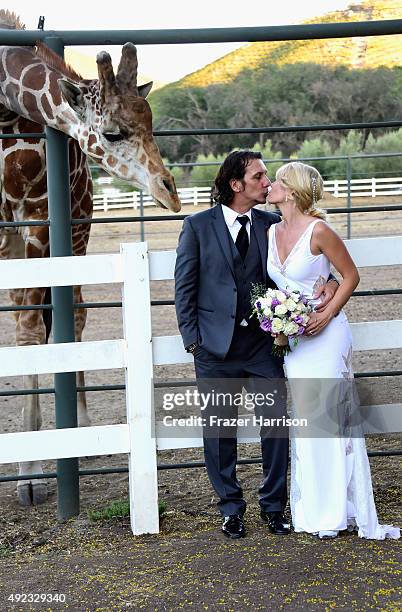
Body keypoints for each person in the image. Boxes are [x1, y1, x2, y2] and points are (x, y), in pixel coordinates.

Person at [174, 150, 338, 539]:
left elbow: (313, 263)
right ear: (236, 185)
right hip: (215, 351)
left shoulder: (271, 223)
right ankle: (230, 509)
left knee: (275, 427)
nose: (268, 183)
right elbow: (184, 288)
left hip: (265, 346)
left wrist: (330, 284)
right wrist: (193, 342)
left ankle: (273, 507)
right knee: (219, 432)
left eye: (268, 176)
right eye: (259, 177)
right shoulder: (197, 226)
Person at [266, 160, 400, 540]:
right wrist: (280, 320)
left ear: (291, 191)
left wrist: (328, 311)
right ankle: (313, 510)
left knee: (330, 420)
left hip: (326, 335)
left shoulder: (319, 230)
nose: (271, 186)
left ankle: (335, 512)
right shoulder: (270, 230)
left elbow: (351, 275)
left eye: (277, 181)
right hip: (295, 339)